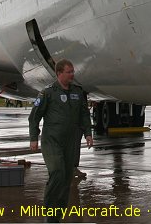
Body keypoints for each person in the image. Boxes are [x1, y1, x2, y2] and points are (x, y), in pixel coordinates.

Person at [29, 60, 93, 222]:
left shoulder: (78, 92)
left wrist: (88, 133)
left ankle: (57, 215)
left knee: (66, 178)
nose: (72, 74)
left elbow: (84, 115)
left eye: (73, 71)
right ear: (59, 74)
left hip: (71, 142)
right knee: (57, 172)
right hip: (52, 141)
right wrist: (33, 138)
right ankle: (49, 213)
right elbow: (34, 117)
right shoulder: (47, 93)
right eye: (69, 72)